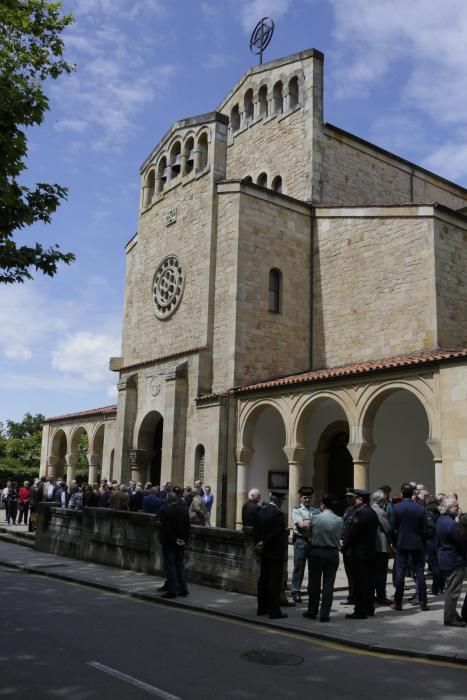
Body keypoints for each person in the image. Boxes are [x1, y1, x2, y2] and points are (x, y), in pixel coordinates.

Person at [303, 494, 343, 622]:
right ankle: (325, 614)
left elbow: (307, 533)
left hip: (317, 552)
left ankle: (312, 611)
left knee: (314, 583)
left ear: (323, 505)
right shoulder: (339, 520)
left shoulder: (315, 518)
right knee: (328, 585)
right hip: (332, 553)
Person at [390, 483, 429, 612]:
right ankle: (423, 602)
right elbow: (425, 529)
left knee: (400, 573)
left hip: (402, 543)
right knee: (419, 573)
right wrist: (421, 542)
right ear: (413, 494)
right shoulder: (420, 508)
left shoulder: (396, 508)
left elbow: (392, 529)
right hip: (417, 544)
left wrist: (395, 543)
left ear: (402, 494)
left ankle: (398, 602)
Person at [343, 489, 379, 620]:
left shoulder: (360, 513)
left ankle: (360, 610)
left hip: (358, 554)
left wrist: (344, 547)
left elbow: (351, 533)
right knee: (369, 582)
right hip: (369, 552)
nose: (354, 500)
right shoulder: (372, 513)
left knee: (359, 583)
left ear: (361, 500)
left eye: (356, 498)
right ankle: (369, 608)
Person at [252, 490, 289, 620]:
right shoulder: (278, 514)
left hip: (263, 552)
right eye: (282, 500)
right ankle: (274, 611)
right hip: (275, 552)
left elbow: (255, 529)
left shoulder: (260, 510)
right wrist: (265, 543)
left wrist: (258, 543)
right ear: (278, 500)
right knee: (274, 582)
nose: (283, 502)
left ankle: (261, 608)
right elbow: (276, 533)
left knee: (263, 579)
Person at [435, 497, 467, 626]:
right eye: (455, 506)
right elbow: (462, 543)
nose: (458, 507)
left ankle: (453, 614)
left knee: (451, 589)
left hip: (445, 558)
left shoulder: (441, 520)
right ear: (447, 508)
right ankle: (449, 618)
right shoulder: (452, 524)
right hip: (454, 560)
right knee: (453, 591)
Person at [158, 492, 190, 598]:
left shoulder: (164, 510)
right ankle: (184, 589)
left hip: (169, 542)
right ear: (176, 500)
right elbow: (188, 528)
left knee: (170, 566)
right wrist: (184, 540)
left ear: (168, 500)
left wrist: (174, 540)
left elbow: (165, 528)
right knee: (180, 565)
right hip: (181, 542)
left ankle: (172, 591)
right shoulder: (184, 510)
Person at [291, 486, 319, 603]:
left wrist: (307, 522)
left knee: (313, 568)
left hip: (313, 541)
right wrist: (311, 522)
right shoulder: (296, 510)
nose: (307, 500)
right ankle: (295, 591)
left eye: (309, 498)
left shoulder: (316, 510)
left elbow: (318, 525)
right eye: (305, 498)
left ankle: (312, 590)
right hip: (301, 541)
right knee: (299, 567)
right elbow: (301, 525)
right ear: (301, 498)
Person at [371, 490, 391, 605]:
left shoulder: (368, 509)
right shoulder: (380, 512)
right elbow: (387, 529)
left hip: (371, 546)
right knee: (381, 574)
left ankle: (372, 595)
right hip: (381, 546)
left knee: (373, 573)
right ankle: (381, 596)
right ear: (382, 501)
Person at [340, 489, 357, 606]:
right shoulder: (347, 510)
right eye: (347, 497)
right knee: (349, 574)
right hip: (346, 547)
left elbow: (354, 529)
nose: (348, 499)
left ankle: (354, 596)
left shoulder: (358, 511)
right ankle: (352, 595)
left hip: (353, 548)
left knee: (354, 574)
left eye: (350, 497)